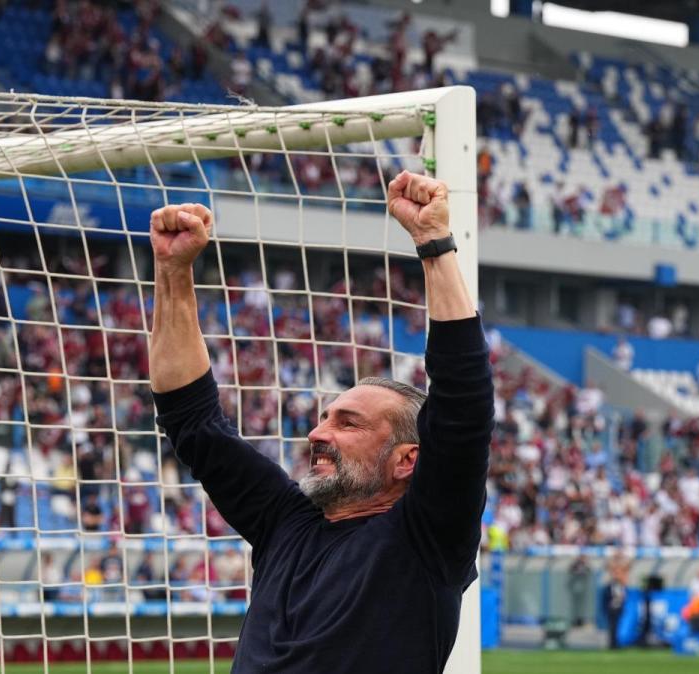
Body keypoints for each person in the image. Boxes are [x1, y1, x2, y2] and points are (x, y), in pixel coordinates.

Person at [148, 170, 494, 673]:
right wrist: (172, 271)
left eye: (347, 424)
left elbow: (463, 407)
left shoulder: (427, 537)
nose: (317, 433)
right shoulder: (285, 522)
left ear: (407, 460)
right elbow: (192, 421)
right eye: (323, 418)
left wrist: (433, 243)